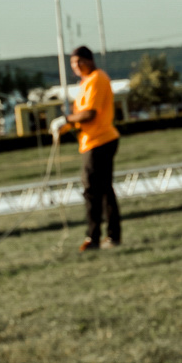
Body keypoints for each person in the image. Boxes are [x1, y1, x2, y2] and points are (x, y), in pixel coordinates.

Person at [62, 46, 120, 252]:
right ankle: (110, 236)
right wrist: (65, 125)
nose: (76, 66)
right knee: (103, 190)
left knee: (93, 191)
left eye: (79, 61)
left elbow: (89, 114)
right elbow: (82, 115)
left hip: (99, 141)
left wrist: (67, 119)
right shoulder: (86, 82)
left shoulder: (96, 79)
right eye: (72, 63)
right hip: (92, 141)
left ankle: (94, 238)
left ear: (89, 60)